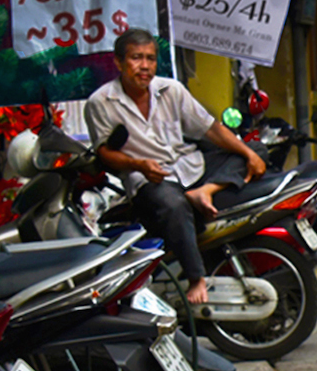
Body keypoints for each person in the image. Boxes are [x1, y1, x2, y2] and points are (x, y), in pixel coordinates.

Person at [86, 28, 267, 305]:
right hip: (150, 179)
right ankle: (197, 277)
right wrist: (139, 164)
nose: (145, 66)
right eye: (137, 58)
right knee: (173, 205)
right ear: (119, 63)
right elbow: (104, 153)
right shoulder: (101, 102)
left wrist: (248, 153)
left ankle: (205, 190)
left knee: (256, 148)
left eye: (150, 58)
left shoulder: (171, 89)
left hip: (190, 166)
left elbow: (211, 129)